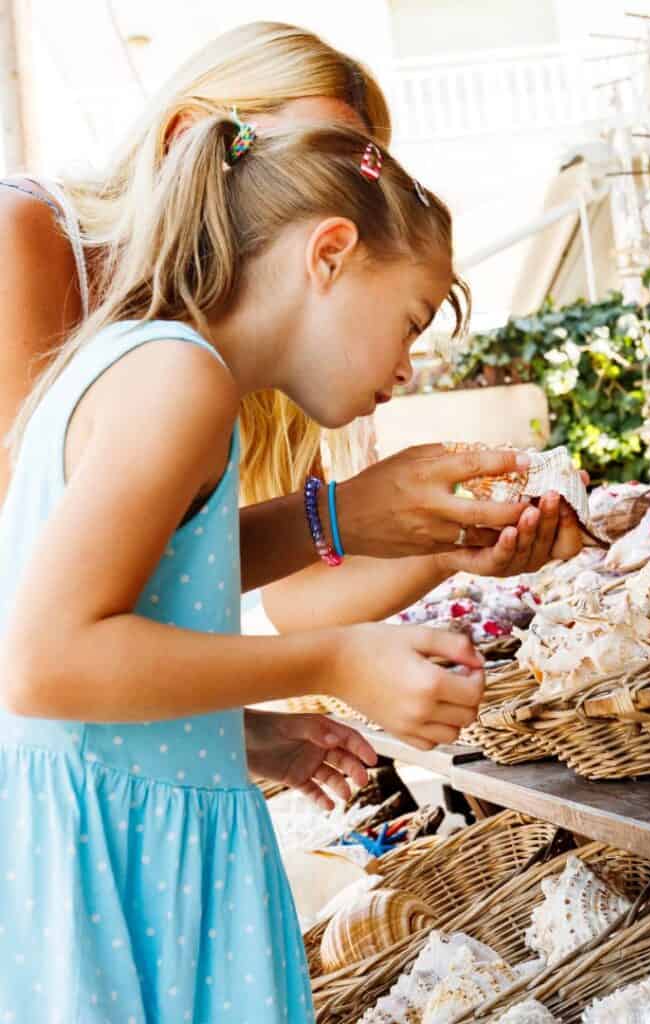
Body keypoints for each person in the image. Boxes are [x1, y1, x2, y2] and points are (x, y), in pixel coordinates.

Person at [0, 22, 583, 807]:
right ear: (190, 141)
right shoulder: (37, 251)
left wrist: (443, 544)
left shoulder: (236, 349)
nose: (335, 191)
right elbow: (40, 626)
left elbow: (245, 586)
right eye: (311, 162)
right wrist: (330, 663)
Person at [0, 109, 493, 1020]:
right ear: (331, 252)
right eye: (412, 320)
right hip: (120, 874)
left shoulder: (148, 364)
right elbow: (44, 662)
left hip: (114, 852)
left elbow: (141, 601)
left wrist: (240, 732)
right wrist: (336, 658)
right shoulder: (179, 382)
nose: (409, 366)